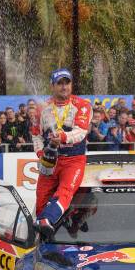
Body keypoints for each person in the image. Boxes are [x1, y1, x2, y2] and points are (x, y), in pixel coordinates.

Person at [31, 68, 92, 236]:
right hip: (49, 161)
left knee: (65, 191)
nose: (64, 87)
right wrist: (40, 154)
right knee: (41, 198)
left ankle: (48, 219)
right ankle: (46, 231)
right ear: (52, 86)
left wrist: (63, 137)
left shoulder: (83, 105)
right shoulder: (42, 108)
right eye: (60, 83)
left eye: (67, 82)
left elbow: (81, 132)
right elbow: (35, 135)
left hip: (74, 160)